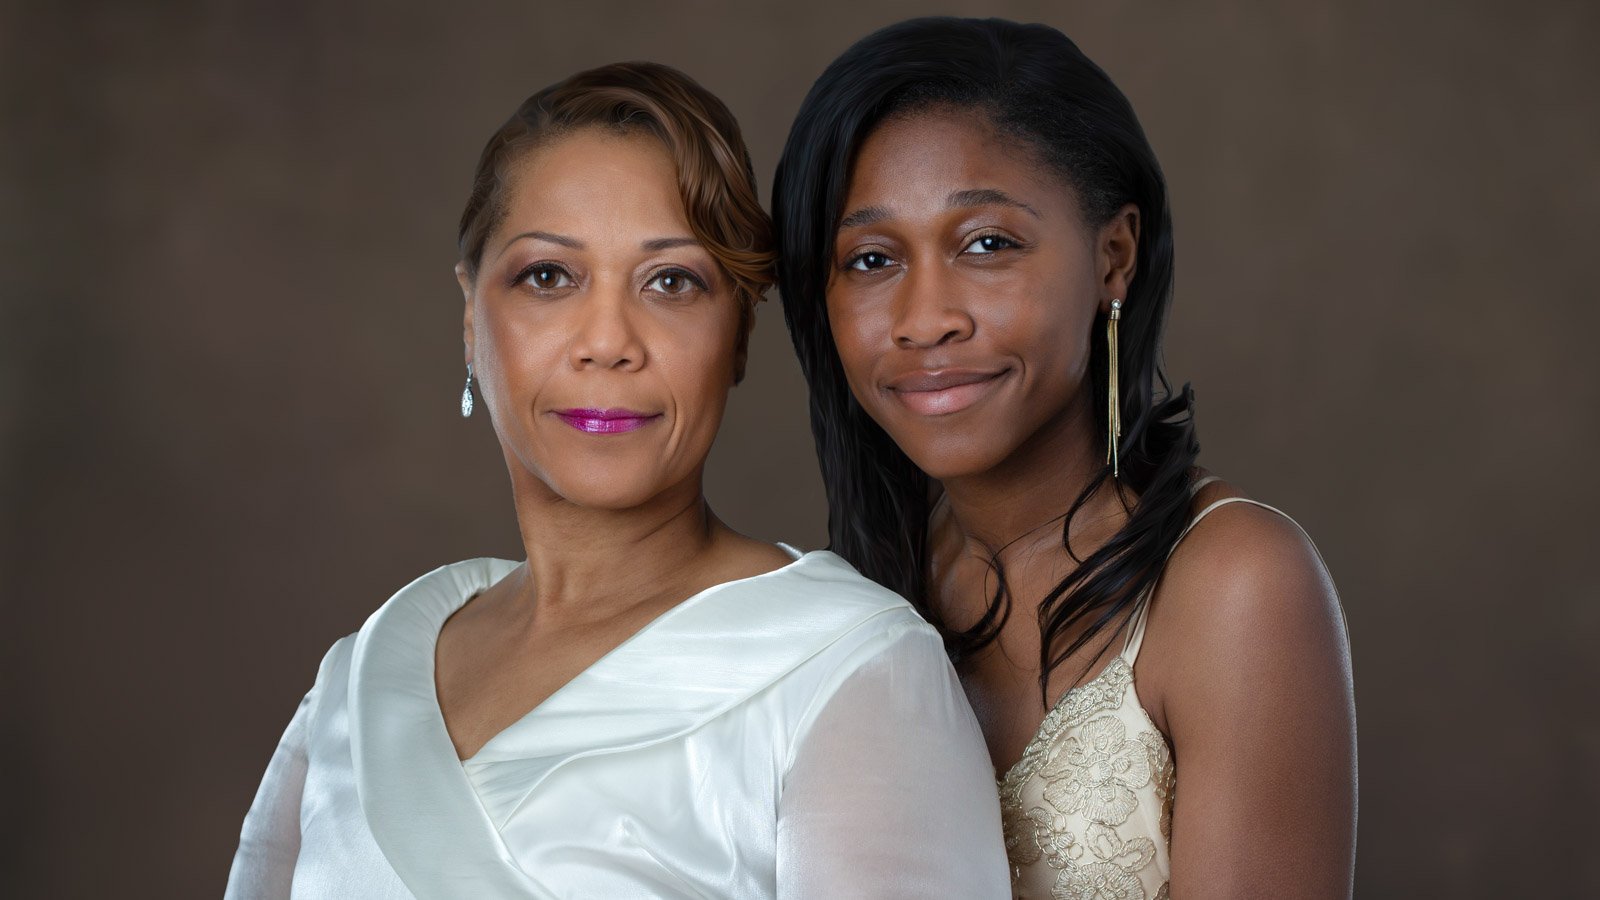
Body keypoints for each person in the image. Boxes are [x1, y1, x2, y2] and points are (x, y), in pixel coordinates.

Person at [224, 61, 1009, 899]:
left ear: (737, 333)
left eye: (672, 282)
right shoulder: (367, 673)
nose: (608, 340)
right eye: (549, 278)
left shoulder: (849, 668)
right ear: (469, 315)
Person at [773, 18, 1357, 899]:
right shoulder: (859, 593)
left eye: (986, 244)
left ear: (1113, 256)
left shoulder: (1236, 587)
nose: (926, 317)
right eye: (871, 258)